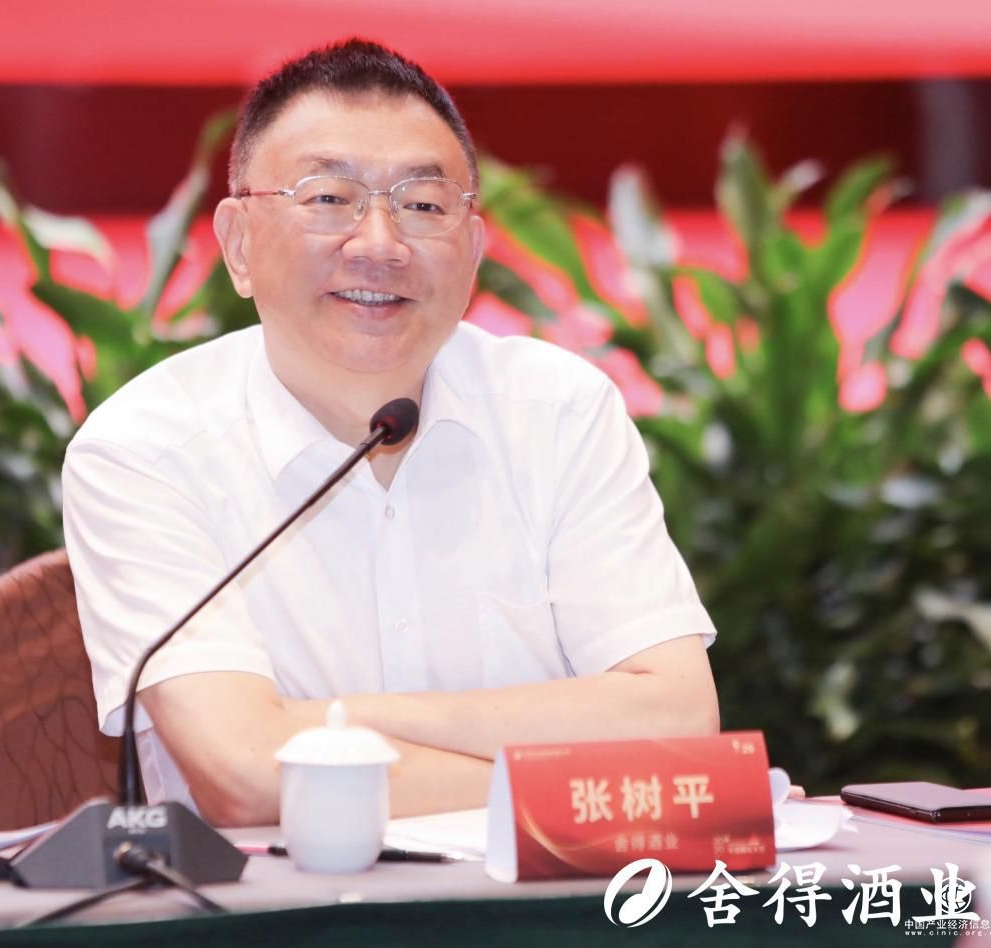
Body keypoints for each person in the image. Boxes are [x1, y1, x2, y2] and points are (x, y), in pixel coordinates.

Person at [63, 39, 719, 827]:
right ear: (238, 245)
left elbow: (680, 724)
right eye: (328, 198)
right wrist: (573, 774)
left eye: (424, 206)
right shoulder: (144, 450)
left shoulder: (560, 412)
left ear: (473, 251)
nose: (379, 243)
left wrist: (331, 724)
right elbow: (245, 778)